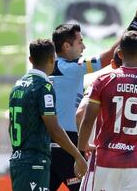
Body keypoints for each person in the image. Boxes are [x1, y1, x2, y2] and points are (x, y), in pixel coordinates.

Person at [49, 5, 137, 191]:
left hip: (48, 144)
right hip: (68, 144)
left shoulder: (49, 67)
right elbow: (111, 54)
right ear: (66, 46)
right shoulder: (72, 68)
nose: (84, 47)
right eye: (80, 42)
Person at [78, 31, 137, 191]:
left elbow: (86, 119)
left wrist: (80, 152)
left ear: (120, 54)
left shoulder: (103, 81)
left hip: (106, 162)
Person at [8, 39, 87, 191]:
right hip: (35, 161)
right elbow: (54, 129)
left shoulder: (17, 85)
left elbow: (11, 127)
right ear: (53, 59)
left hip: (18, 160)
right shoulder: (43, 87)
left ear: (30, 60)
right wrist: (78, 155)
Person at [76, 47, 122, 191]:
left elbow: (80, 113)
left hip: (102, 158)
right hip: (133, 161)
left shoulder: (101, 82)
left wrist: (83, 146)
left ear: (113, 64)